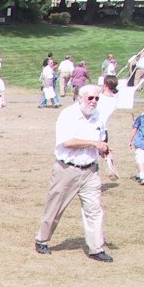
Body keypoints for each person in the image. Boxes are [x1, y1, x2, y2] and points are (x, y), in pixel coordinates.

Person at [34, 84, 112, 262]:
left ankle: (96, 248)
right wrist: (93, 143)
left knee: (94, 210)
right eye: (90, 98)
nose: (93, 102)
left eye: (97, 98)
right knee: (55, 207)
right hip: (66, 169)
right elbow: (67, 142)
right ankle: (42, 240)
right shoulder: (68, 115)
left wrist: (104, 149)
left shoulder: (98, 116)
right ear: (80, 98)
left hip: (90, 170)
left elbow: (101, 139)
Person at [130, 98, 144, 185]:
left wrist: (130, 140)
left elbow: (134, 129)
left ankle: (141, 176)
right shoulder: (141, 118)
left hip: (140, 142)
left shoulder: (140, 118)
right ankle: (140, 175)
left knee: (140, 159)